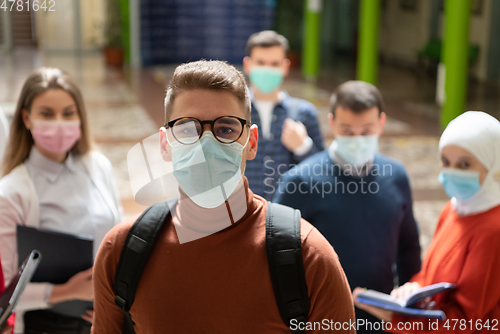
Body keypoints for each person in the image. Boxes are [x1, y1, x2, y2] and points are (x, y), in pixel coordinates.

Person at [91, 60, 355, 334]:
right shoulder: (122, 251)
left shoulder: (309, 259)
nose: (206, 145)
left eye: (226, 129)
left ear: (250, 143)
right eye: (187, 129)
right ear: (165, 145)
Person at [273, 80, 421, 333]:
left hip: (382, 321)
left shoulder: (396, 176)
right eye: (348, 131)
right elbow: (275, 253)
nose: (357, 140)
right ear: (331, 124)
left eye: (366, 131)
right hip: (321, 320)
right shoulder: (300, 181)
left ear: (381, 124)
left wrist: (410, 307)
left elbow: (408, 247)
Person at [354, 111, 500, 333]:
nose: (451, 172)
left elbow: (467, 320)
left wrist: (398, 320)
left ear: (492, 165)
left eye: (464, 165)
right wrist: (415, 286)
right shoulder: (453, 208)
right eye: (445, 161)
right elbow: (433, 272)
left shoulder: (493, 229)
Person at [0, 68, 122, 333]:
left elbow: (119, 236)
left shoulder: (98, 166)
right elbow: (9, 290)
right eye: (46, 113)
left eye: (68, 113)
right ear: (26, 118)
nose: (59, 122)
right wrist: (65, 291)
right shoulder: (11, 193)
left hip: (105, 317)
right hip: (49, 324)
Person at [243, 30, 324, 200]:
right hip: (242, 212)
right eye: (260, 62)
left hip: (288, 213)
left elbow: (323, 172)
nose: (267, 69)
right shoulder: (233, 113)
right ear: (247, 65)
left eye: (274, 64)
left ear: (285, 66)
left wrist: (303, 147)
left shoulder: (304, 113)